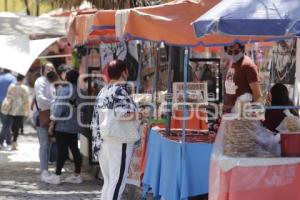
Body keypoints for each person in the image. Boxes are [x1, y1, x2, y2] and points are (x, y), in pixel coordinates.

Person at [91, 60, 142, 200]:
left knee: (108, 182)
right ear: (124, 72)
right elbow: (122, 114)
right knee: (117, 182)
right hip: (119, 141)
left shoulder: (103, 90)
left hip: (103, 141)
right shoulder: (119, 90)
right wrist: (141, 114)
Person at [44, 69, 82, 185]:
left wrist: (52, 124)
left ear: (66, 78)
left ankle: (57, 176)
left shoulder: (64, 90)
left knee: (62, 151)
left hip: (63, 125)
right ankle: (77, 175)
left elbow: (58, 108)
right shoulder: (80, 91)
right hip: (74, 125)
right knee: (75, 150)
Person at [34, 63, 58, 182]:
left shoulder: (53, 81)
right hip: (42, 115)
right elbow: (40, 99)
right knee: (44, 144)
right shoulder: (40, 81)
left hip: (52, 115)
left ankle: (46, 170)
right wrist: (54, 102)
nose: (50, 70)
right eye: (48, 68)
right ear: (43, 70)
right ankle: (44, 171)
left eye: (52, 68)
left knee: (48, 144)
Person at [223, 42, 262, 113]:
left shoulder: (248, 66)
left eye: (236, 51)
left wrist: (256, 114)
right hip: (230, 114)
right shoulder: (231, 63)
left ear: (242, 49)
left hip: (243, 115)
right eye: (230, 52)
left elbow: (257, 95)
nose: (233, 54)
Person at [2, 74, 29, 150]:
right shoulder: (24, 88)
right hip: (20, 110)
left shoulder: (11, 86)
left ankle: (10, 140)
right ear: (23, 79)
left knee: (11, 125)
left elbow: (8, 97)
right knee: (17, 126)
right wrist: (27, 111)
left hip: (11, 109)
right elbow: (26, 101)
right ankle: (14, 142)